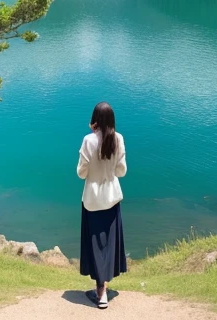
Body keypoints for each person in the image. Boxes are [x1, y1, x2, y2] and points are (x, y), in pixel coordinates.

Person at [77, 102, 127, 309]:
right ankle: (104, 289)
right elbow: (121, 171)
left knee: (95, 244)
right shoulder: (119, 139)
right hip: (112, 198)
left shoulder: (88, 140)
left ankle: (101, 292)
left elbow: (81, 173)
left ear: (95, 120)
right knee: (109, 243)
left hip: (92, 200)